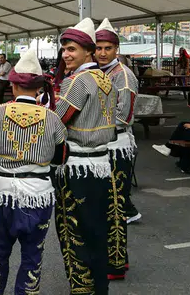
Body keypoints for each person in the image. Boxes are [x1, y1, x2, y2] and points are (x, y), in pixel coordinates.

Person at [0, 49, 68, 295]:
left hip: (4, 193)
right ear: (39, 89)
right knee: (32, 255)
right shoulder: (52, 118)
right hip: (39, 194)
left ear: (15, 86)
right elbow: (61, 157)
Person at [52, 18, 117, 294]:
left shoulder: (77, 81)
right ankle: (99, 288)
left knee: (73, 233)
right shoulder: (105, 78)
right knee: (97, 231)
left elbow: (57, 123)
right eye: (64, 49)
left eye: (71, 49)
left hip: (77, 167)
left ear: (88, 52)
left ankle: (82, 289)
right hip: (101, 164)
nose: (66, 54)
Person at [96, 18, 141, 281]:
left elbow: (124, 116)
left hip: (116, 145)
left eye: (107, 48)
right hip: (102, 144)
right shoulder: (101, 72)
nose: (102, 53)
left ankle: (116, 263)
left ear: (117, 49)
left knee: (115, 206)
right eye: (99, 48)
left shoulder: (123, 76)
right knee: (104, 205)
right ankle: (109, 257)